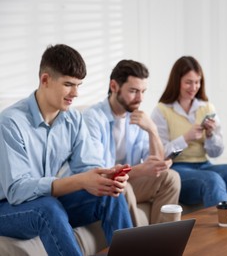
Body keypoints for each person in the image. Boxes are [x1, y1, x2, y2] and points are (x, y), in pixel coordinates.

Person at [0, 44, 132, 256]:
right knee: (48, 208)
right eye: (69, 84)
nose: (76, 93)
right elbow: (17, 191)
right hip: (7, 208)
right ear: (45, 80)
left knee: (110, 194)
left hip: (47, 202)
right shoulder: (11, 122)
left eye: (79, 85)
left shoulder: (73, 119)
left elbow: (87, 166)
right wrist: (80, 181)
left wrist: (106, 176)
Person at [83, 59, 180, 225]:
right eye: (134, 91)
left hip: (127, 181)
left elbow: (155, 164)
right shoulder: (92, 118)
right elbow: (100, 175)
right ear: (114, 87)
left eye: (143, 91)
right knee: (122, 187)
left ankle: (162, 242)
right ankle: (138, 246)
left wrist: (152, 130)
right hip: (103, 187)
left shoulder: (136, 117)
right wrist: (140, 170)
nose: (140, 98)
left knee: (171, 178)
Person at [151, 56, 227, 208]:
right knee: (212, 180)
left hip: (204, 164)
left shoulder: (207, 108)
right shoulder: (161, 111)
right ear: (177, 82)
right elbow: (160, 154)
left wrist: (210, 135)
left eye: (197, 82)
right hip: (177, 168)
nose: (194, 87)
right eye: (188, 82)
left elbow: (216, 153)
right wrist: (186, 138)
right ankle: (220, 229)